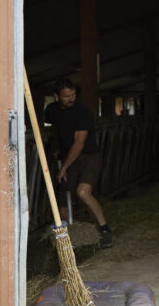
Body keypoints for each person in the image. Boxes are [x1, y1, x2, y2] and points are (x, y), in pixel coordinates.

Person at [43, 78, 113, 248]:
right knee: (62, 207)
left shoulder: (83, 111)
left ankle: (105, 229)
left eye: (73, 94)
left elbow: (79, 143)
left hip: (88, 156)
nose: (71, 99)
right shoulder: (51, 110)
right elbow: (55, 129)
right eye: (67, 96)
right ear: (56, 96)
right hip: (68, 157)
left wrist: (64, 168)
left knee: (82, 192)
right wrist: (56, 149)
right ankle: (68, 242)